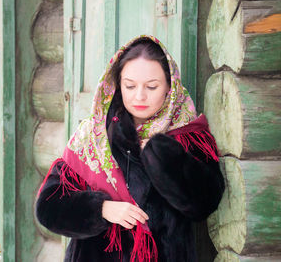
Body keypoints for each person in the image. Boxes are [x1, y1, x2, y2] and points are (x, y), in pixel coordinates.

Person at [35, 35, 225, 262]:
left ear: (169, 86)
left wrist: (162, 156)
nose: (139, 96)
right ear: (118, 84)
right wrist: (101, 209)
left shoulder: (188, 136)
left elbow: (205, 203)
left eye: (152, 86)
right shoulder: (93, 135)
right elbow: (48, 207)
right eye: (130, 85)